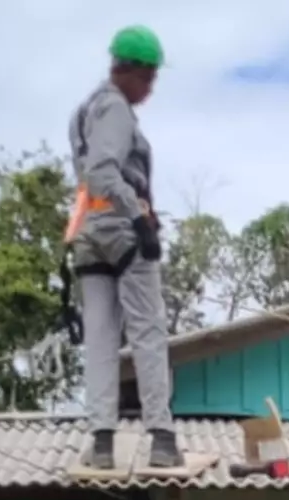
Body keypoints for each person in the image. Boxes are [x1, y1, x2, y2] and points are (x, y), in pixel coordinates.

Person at [66, 25, 183, 469]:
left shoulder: (84, 110)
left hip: (89, 233)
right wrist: (139, 218)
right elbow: (102, 171)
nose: (150, 88)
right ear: (128, 70)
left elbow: (88, 176)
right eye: (148, 78)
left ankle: (101, 442)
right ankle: (161, 436)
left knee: (99, 340)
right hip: (123, 231)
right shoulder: (114, 108)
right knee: (148, 332)